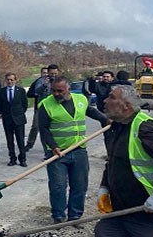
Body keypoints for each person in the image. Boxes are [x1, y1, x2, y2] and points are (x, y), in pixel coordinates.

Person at [95, 85, 153, 237]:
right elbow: (113, 161)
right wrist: (104, 186)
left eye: (112, 97)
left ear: (126, 105)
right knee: (104, 235)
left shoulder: (145, 128)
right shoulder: (117, 126)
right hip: (121, 210)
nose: (105, 101)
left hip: (149, 213)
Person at [39, 76, 107, 223]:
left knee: (80, 185)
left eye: (59, 91)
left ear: (68, 89)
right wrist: (53, 146)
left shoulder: (80, 99)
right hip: (57, 153)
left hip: (79, 149)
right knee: (58, 186)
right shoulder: (46, 105)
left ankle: (75, 216)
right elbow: (43, 129)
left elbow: (91, 111)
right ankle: (58, 216)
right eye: (53, 91)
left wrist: (106, 119)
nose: (56, 94)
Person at [0, 73, 29, 167]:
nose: (10, 81)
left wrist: (19, 113)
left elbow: (24, 104)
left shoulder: (21, 91)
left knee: (20, 140)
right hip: (7, 119)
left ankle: (22, 159)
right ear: (5, 80)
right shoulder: (1, 92)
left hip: (19, 119)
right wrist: (2, 113)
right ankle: (12, 158)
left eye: (11, 80)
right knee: (9, 140)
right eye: (8, 80)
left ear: (15, 80)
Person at [27, 65, 59, 151]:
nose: (54, 75)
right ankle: (46, 151)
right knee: (40, 128)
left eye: (55, 73)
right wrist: (44, 85)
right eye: (52, 73)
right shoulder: (41, 80)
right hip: (42, 109)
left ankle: (56, 148)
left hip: (56, 108)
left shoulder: (60, 81)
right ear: (48, 73)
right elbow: (36, 91)